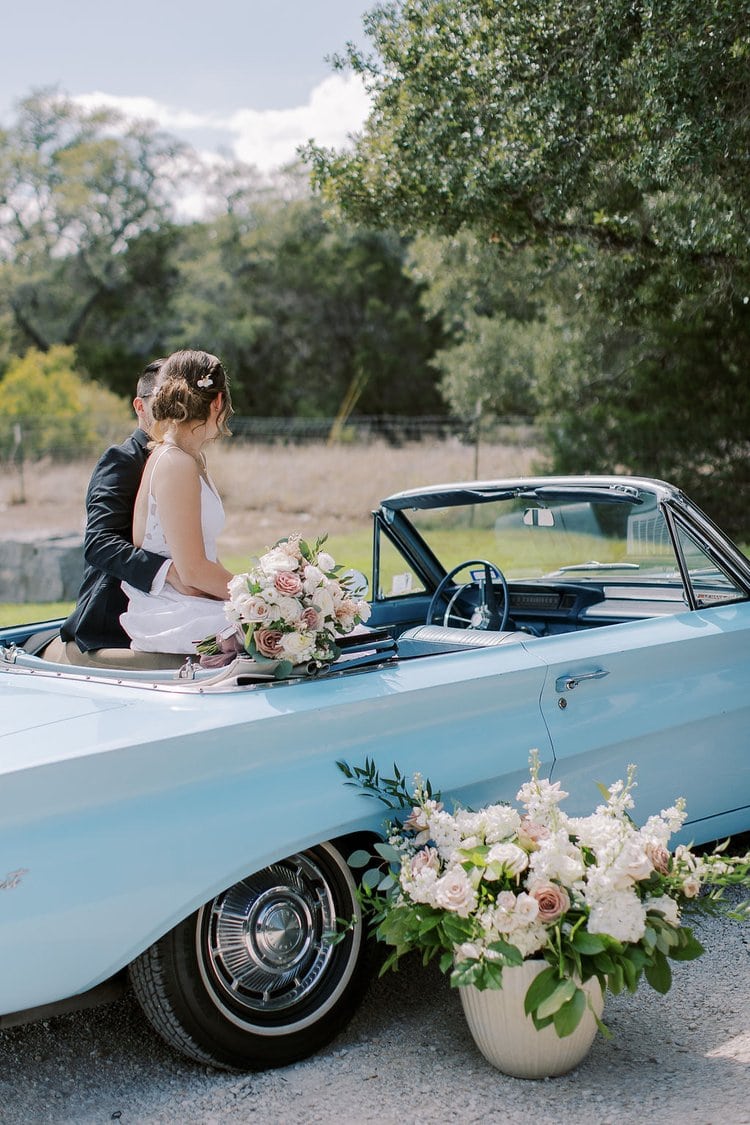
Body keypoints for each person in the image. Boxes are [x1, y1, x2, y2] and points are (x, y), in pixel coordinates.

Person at [51, 360, 194, 667]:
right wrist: (168, 573)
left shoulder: (186, 461)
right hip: (117, 619)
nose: (173, 410)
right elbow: (99, 544)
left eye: (180, 400)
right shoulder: (122, 460)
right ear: (139, 407)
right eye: (162, 402)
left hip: (178, 607)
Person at [119, 349, 235, 654]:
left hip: (194, 600)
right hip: (176, 613)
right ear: (218, 402)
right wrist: (259, 594)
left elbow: (204, 557)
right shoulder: (175, 463)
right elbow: (193, 571)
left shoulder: (189, 458)